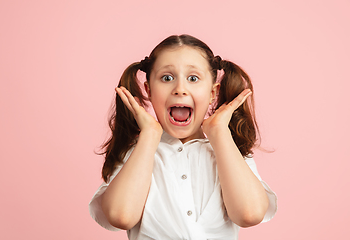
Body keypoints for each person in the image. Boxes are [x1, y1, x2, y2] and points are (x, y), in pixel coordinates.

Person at [89, 34, 277, 240]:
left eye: (193, 78)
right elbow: (120, 216)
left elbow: (250, 214)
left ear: (213, 93)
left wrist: (220, 132)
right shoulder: (137, 153)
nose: (180, 89)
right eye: (167, 78)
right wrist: (150, 135)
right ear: (149, 91)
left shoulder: (230, 152)